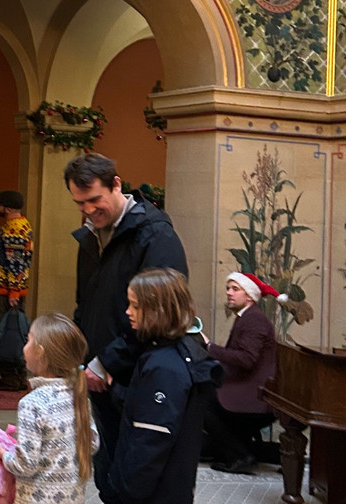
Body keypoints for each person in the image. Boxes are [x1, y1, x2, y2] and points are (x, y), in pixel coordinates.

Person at [64, 152, 188, 500]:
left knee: (138, 480)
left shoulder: (155, 234)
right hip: (97, 378)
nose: (88, 210)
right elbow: (85, 305)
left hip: (139, 378)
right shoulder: (89, 236)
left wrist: (107, 362)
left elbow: (162, 312)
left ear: (116, 184)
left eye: (94, 200)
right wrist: (82, 361)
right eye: (80, 203)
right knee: (109, 476)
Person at [102, 268, 221, 504]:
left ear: (160, 310)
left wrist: (126, 491)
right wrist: (115, 388)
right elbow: (147, 408)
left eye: (136, 306)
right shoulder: (166, 352)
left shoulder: (165, 366)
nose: (128, 312)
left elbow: (152, 439)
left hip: (155, 494)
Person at [0, 312, 98, 504]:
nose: (24, 346)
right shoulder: (78, 395)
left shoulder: (32, 403)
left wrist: (1, 453)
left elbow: (24, 464)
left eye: (28, 340)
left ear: (40, 352)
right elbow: (92, 443)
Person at [200, 272, 282, 474]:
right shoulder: (248, 316)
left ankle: (239, 456)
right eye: (228, 288)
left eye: (235, 289)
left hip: (254, 398)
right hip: (248, 392)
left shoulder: (254, 320)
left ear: (250, 296)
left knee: (201, 401)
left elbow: (247, 359)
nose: (229, 293)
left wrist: (210, 347)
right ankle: (240, 452)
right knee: (205, 391)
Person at [0, 190, 33, 390]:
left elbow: (15, 263)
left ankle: (10, 378)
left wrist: (13, 292)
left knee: (6, 333)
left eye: (1, 205)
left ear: (8, 208)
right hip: (10, 290)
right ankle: (17, 377)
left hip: (6, 291)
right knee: (15, 332)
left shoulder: (14, 230)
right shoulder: (16, 226)